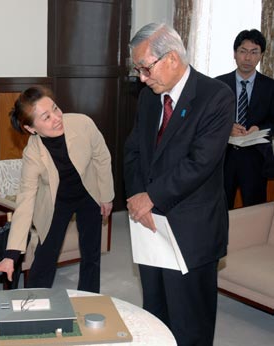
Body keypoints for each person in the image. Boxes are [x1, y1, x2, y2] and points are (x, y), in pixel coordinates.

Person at [124, 23, 234, 345]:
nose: (142, 78)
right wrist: (136, 197)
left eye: (145, 68)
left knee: (190, 322)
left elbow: (200, 163)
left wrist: (151, 196)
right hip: (149, 225)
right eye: (138, 70)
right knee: (155, 313)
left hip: (191, 230)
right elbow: (133, 151)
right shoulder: (148, 98)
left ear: (171, 58)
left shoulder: (215, 97)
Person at [0, 86, 114, 293]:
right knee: (45, 257)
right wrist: (11, 255)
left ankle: (89, 298)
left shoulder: (82, 123)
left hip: (89, 193)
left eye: (55, 108)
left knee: (91, 255)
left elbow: (102, 157)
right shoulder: (32, 154)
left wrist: (106, 196)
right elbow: (25, 201)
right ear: (31, 129)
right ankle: (34, 303)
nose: (57, 118)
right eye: (46, 117)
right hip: (56, 201)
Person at [216, 29, 274, 209]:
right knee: (220, 208)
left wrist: (260, 128)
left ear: (261, 55)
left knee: (255, 210)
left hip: (256, 158)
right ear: (235, 54)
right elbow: (207, 121)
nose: (247, 58)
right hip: (223, 157)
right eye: (243, 51)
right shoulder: (217, 85)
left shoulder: (271, 87)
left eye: (254, 52)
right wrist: (227, 128)